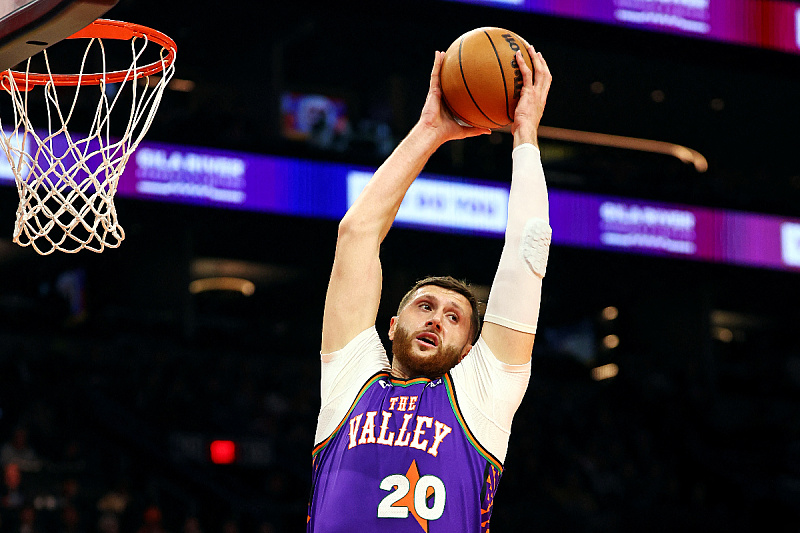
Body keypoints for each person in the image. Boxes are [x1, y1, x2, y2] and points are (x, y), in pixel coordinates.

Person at [307, 43, 552, 532]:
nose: (437, 318)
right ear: (393, 325)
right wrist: (430, 131)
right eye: (425, 306)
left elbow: (527, 250)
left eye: (455, 318)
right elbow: (356, 235)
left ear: (468, 350)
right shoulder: (350, 380)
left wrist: (525, 134)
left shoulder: (483, 392)